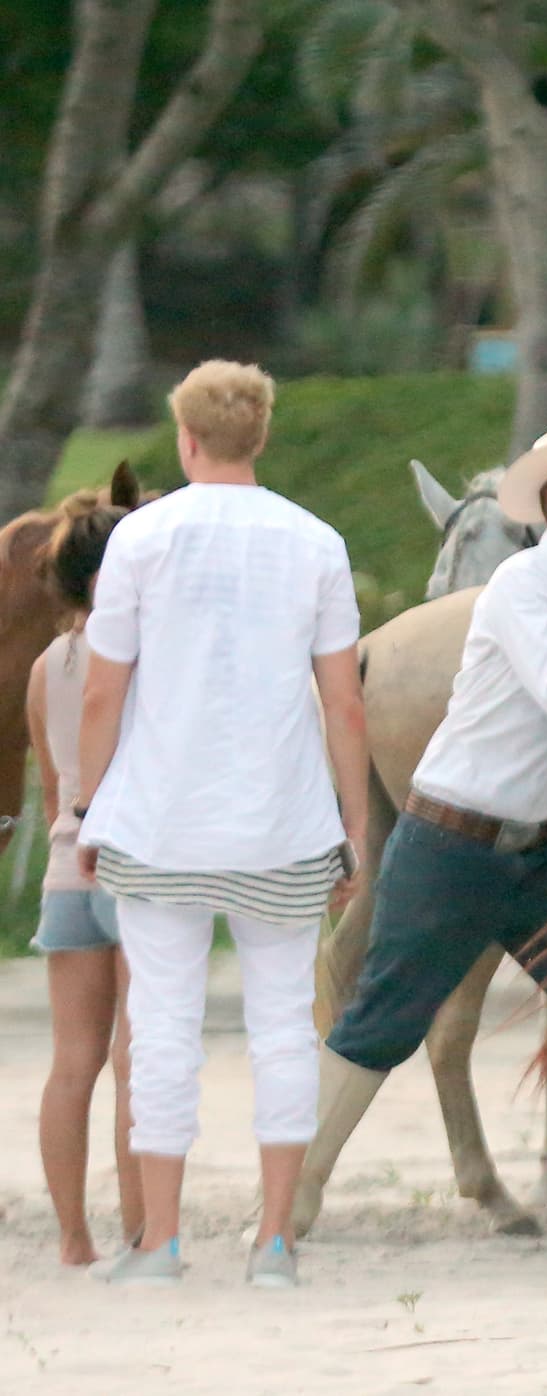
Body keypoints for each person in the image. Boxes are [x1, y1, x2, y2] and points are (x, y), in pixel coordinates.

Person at [291, 410, 547, 1245]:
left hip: (537, 855)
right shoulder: (521, 587)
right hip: (450, 846)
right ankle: (289, 1205)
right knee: (379, 1027)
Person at [76, 360, 368, 1288]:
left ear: (186, 438)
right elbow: (343, 703)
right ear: (261, 436)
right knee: (284, 1027)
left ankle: (160, 1243)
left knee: (162, 1027)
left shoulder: (141, 539)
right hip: (283, 821)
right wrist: (354, 827)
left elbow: (103, 692)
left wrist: (87, 806)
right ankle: (274, 1243)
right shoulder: (315, 542)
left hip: (161, 820)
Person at [26, 495, 143, 1266]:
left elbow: (50, 789)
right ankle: (142, 1229)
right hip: (135, 868)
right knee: (138, 1061)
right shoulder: (140, 655)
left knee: (73, 1064)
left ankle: (73, 1238)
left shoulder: (45, 667)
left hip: (67, 870)